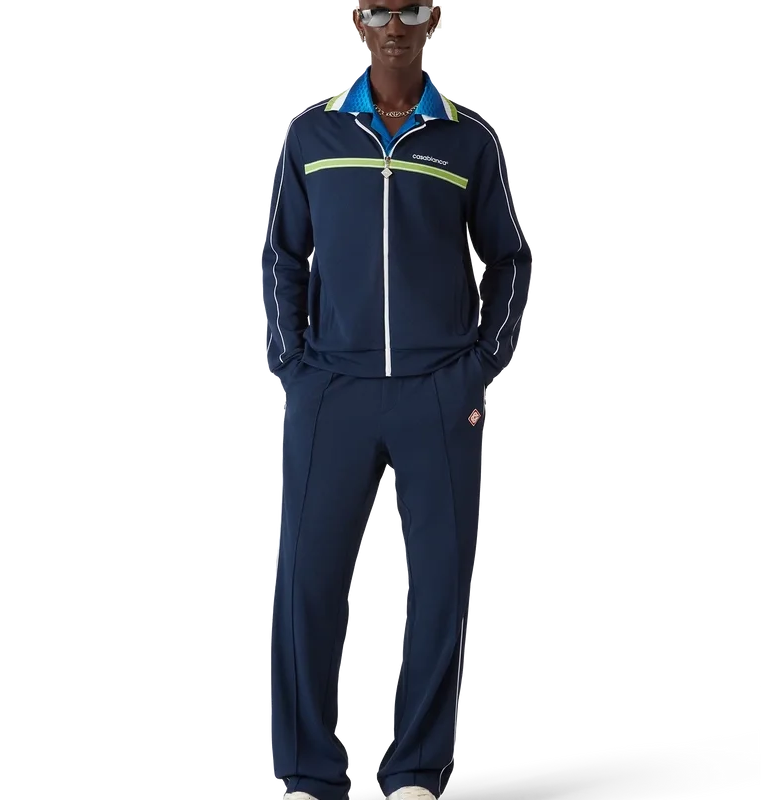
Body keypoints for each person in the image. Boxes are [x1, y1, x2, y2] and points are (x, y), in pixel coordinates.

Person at [263, 2, 532, 798]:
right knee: (306, 580)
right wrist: (291, 363)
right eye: (378, 10)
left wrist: (480, 365)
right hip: (331, 388)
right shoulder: (313, 135)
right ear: (357, 20)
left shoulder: (466, 139)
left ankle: (415, 767)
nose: (393, 25)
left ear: (433, 20)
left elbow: (509, 259)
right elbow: (283, 255)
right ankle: (308, 770)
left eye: (409, 9)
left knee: (441, 583)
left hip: (438, 391)